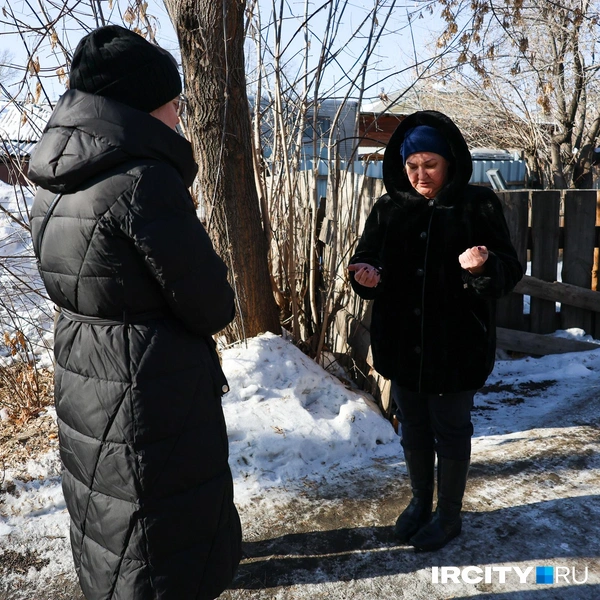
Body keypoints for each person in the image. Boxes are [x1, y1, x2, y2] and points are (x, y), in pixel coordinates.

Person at [29, 25, 242, 599]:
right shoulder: (144, 181)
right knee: (162, 547)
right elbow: (211, 304)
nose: (178, 116)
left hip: (84, 377)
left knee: (110, 526)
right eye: (172, 103)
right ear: (142, 107)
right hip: (151, 392)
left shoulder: (52, 179)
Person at [348, 110, 523, 552]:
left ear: (449, 163)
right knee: (414, 428)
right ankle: (419, 503)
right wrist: (365, 275)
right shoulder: (389, 207)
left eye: (431, 165)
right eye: (413, 166)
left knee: (450, 430)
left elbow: (508, 272)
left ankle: (448, 516)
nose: (421, 175)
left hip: (457, 346)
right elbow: (367, 259)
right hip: (402, 344)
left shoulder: (478, 205)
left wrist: (484, 266)